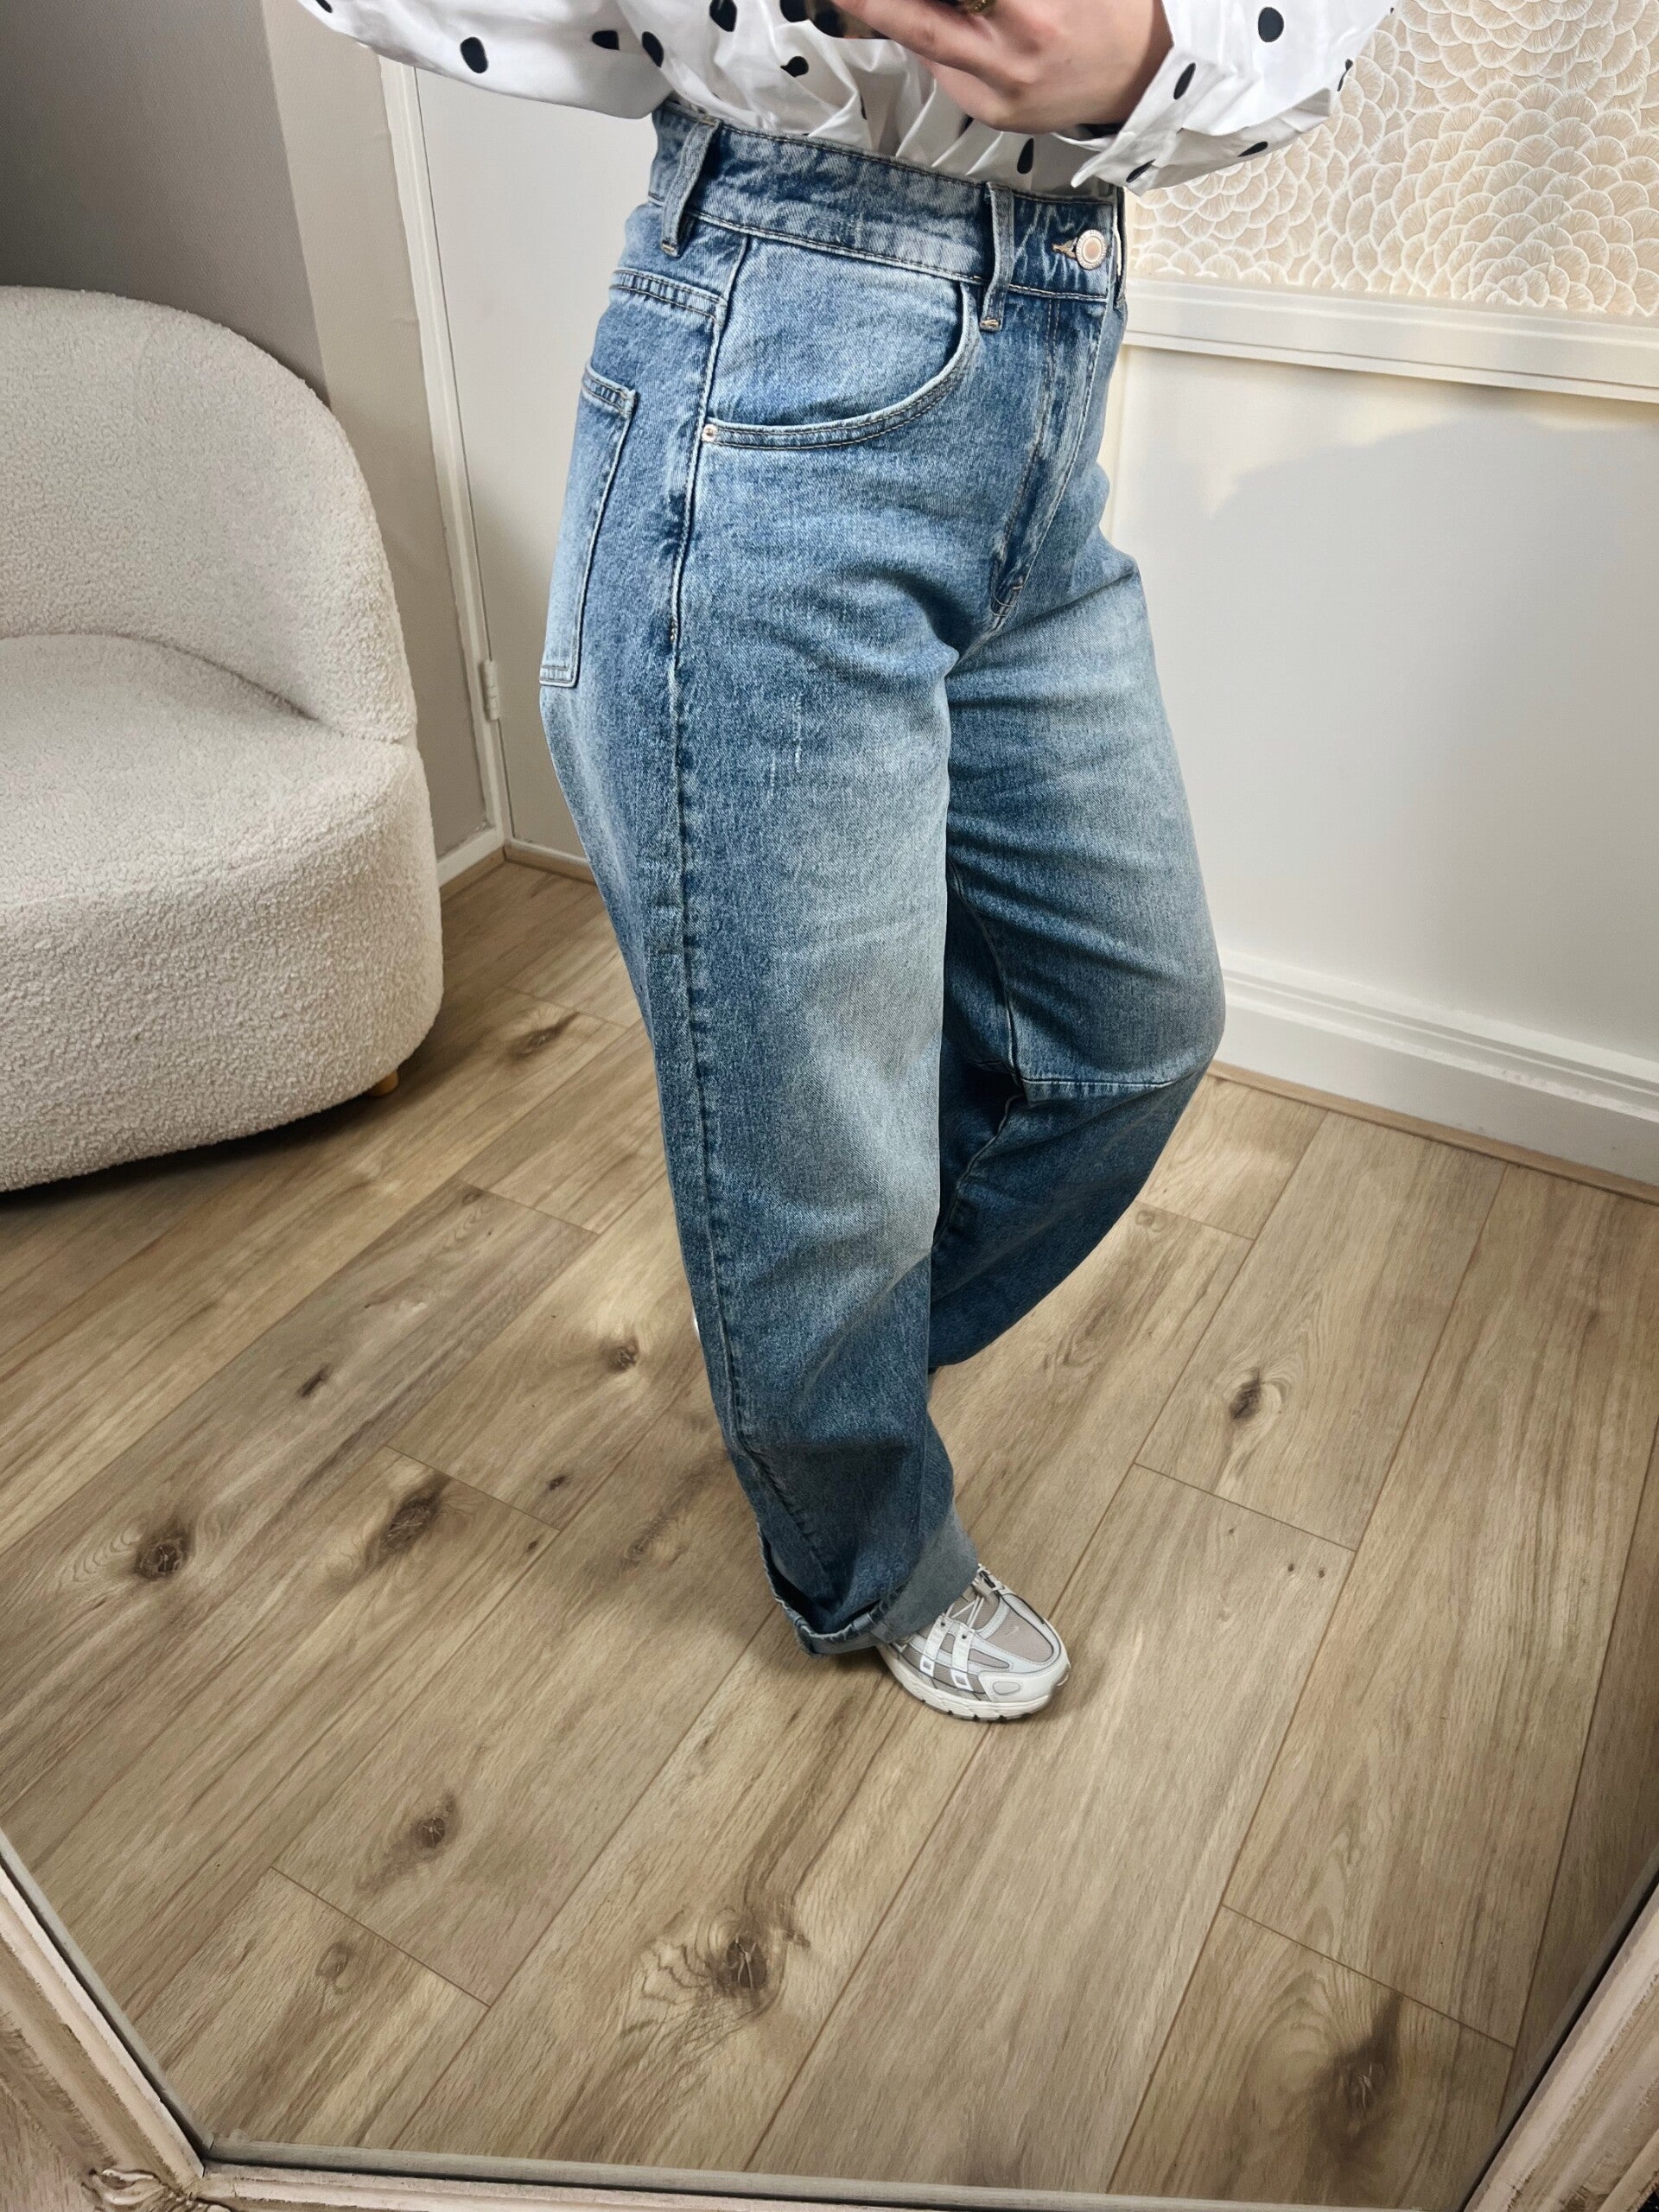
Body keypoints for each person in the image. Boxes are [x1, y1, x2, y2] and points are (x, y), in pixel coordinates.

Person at [303, 0, 1391, 1719]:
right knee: (824, 1157)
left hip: (1051, 348)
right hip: (776, 341)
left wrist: (1158, 45)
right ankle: (863, 1551)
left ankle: (808, 1365)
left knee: (1130, 1029)